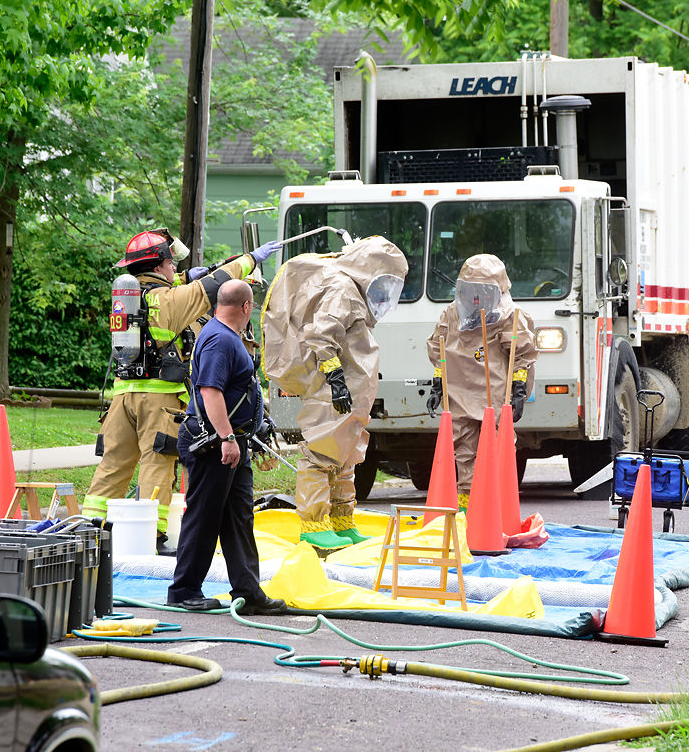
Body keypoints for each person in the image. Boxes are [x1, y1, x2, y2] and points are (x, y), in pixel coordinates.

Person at [82, 228, 282, 545]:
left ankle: (89, 530)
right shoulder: (172, 302)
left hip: (121, 398)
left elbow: (175, 285)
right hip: (158, 401)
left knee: (112, 466)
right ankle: (150, 536)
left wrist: (187, 274)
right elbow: (213, 286)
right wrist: (249, 260)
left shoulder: (130, 298)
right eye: (171, 263)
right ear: (160, 263)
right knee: (156, 466)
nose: (175, 268)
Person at [261, 236, 408, 550]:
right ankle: (314, 526)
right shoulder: (343, 288)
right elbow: (321, 333)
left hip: (350, 393)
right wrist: (336, 377)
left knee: (345, 458)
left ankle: (341, 522)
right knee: (320, 455)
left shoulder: (353, 291)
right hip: (333, 391)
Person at [167, 279, 286, 614]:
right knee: (204, 518)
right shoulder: (220, 340)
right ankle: (184, 590)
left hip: (233, 444)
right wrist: (226, 437)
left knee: (238, 518)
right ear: (247, 307)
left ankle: (248, 593)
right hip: (214, 444)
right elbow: (210, 391)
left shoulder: (225, 336)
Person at [425, 253, 538, 508]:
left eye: (481, 291)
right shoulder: (452, 314)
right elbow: (441, 352)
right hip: (460, 393)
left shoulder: (510, 315)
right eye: (470, 290)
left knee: (497, 452)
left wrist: (517, 389)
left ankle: (495, 509)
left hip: (494, 396)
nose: (475, 297)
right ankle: (467, 508)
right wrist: (437, 384)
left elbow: (520, 356)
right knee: (464, 452)